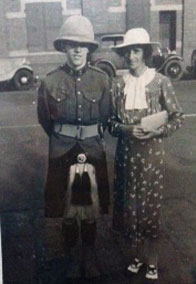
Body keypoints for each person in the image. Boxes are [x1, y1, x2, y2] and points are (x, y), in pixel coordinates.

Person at [37, 15, 111, 279]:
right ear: (64, 48)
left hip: (91, 150)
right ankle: (70, 257)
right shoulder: (50, 81)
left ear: (90, 49)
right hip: (62, 151)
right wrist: (65, 136)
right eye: (72, 44)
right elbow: (45, 119)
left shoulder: (102, 80)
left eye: (83, 45)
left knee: (90, 211)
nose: (78, 50)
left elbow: (105, 115)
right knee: (67, 213)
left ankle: (88, 257)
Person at [108, 28, 184, 280]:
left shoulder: (161, 81)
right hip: (126, 156)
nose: (131, 56)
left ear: (146, 53)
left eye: (136, 50)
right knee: (130, 208)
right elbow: (110, 123)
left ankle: (152, 260)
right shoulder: (118, 85)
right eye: (127, 51)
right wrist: (126, 129)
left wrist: (157, 132)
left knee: (149, 208)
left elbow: (177, 117)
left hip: (151, 156)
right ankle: (136, 257)